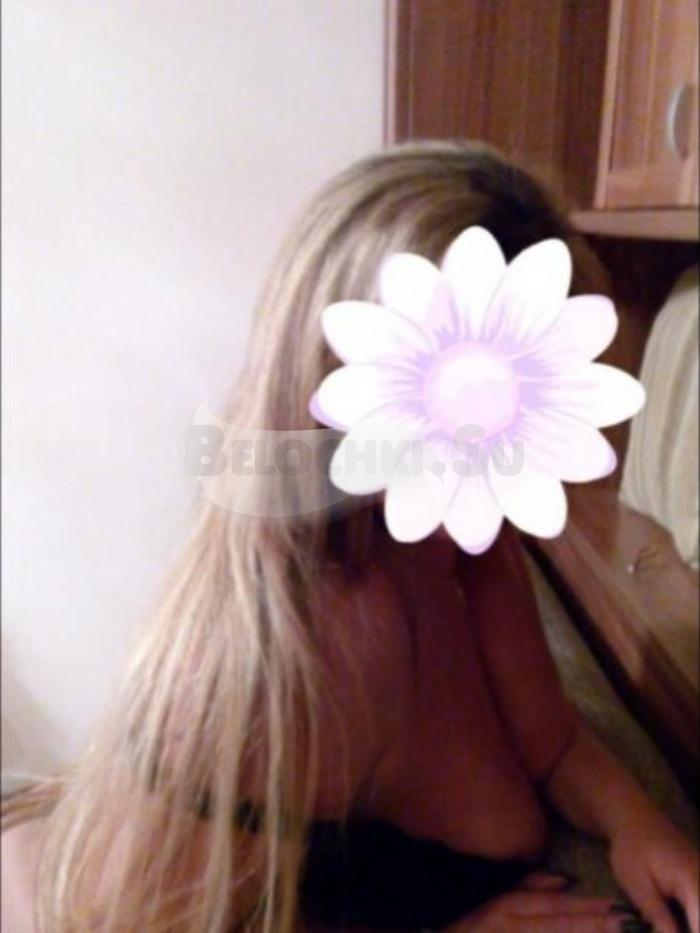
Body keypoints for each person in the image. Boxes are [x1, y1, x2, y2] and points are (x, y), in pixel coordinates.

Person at [2, 141, 698, 933]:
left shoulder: (467, 529)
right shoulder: (300, 646)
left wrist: (640, 825)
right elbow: (105, 916)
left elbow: (553, 743)